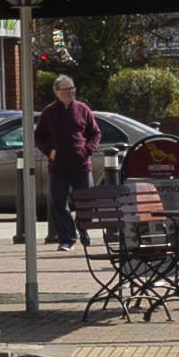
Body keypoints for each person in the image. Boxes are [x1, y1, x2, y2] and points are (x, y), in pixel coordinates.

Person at [36, 73, 103, 245]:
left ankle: (84, 230)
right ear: (57, 92)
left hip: (81, 165)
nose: (70, 93)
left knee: (86, 201)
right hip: (58, 167)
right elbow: (39, 136)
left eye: (72, 89)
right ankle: (67, 238)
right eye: (66, 90)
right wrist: (49, 151)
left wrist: (86, 150)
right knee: (58, 203)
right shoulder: (49, 112)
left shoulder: (83, 109)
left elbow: (95, 134)